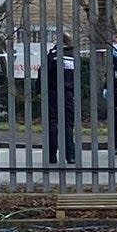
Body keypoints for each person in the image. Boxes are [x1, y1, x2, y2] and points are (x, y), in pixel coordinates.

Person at [45, 32, 76, 164]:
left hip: (53, 92)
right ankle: (71, 155)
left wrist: (40, 90)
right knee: (68, 124)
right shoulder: (73, 56)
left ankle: (52, 155)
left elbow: (44, 72)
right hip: (69, 93)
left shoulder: (53, 55)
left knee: (53, 122)